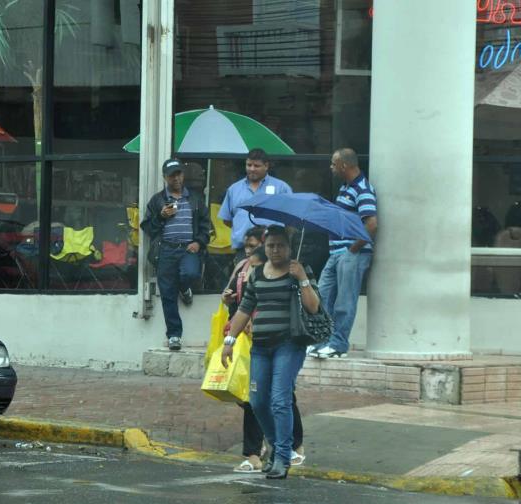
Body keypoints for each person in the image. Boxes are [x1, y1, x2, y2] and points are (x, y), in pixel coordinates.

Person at [222, 225, 319, 479]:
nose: (275, 250)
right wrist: (229, 340)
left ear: (289, 247)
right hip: (261, 347)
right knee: (257, 401)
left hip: (289, 344)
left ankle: (283, 458)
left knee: (279, 399)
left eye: (280, 245)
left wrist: (302, 279)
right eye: (271, 245)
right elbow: (244, 309)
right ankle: (278, 447)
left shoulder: (299, 269)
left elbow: (313, 307)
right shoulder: (257, 274)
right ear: (264, 248)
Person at [310, 148, 378, 359]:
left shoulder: (363, 189)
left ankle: (338, 345)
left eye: (333, 164)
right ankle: (323, 342)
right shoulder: (345, 187)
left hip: (352, 254)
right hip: (337, 253)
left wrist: (352, 249)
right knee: (322, 296)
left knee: (344, 302)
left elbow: (372, 224)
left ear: (344, 166)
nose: (331, 167)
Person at [141, 158, 211, 351]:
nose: (176, 179)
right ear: (165, 178)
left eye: (179, 174)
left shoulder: (195, 198)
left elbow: (207, 226)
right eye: (172, 175)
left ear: (183, 175)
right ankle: (174, 335)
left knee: (191, 274)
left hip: (188, 248)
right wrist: (160, 216)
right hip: (166, 249)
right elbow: (147, 228)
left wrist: (199, 242)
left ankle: (184, 287)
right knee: (167, 294)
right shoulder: (158, 200)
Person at [218, 148, 292, 259]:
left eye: (256, 166)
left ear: (266, 166)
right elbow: (227, 220)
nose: (252, 169)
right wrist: (244, 228)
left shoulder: (281, 188)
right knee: (242, 276)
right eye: (249, 165)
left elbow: (290, 220)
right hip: (244, 250)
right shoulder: (234, 189)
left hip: (273, 250)